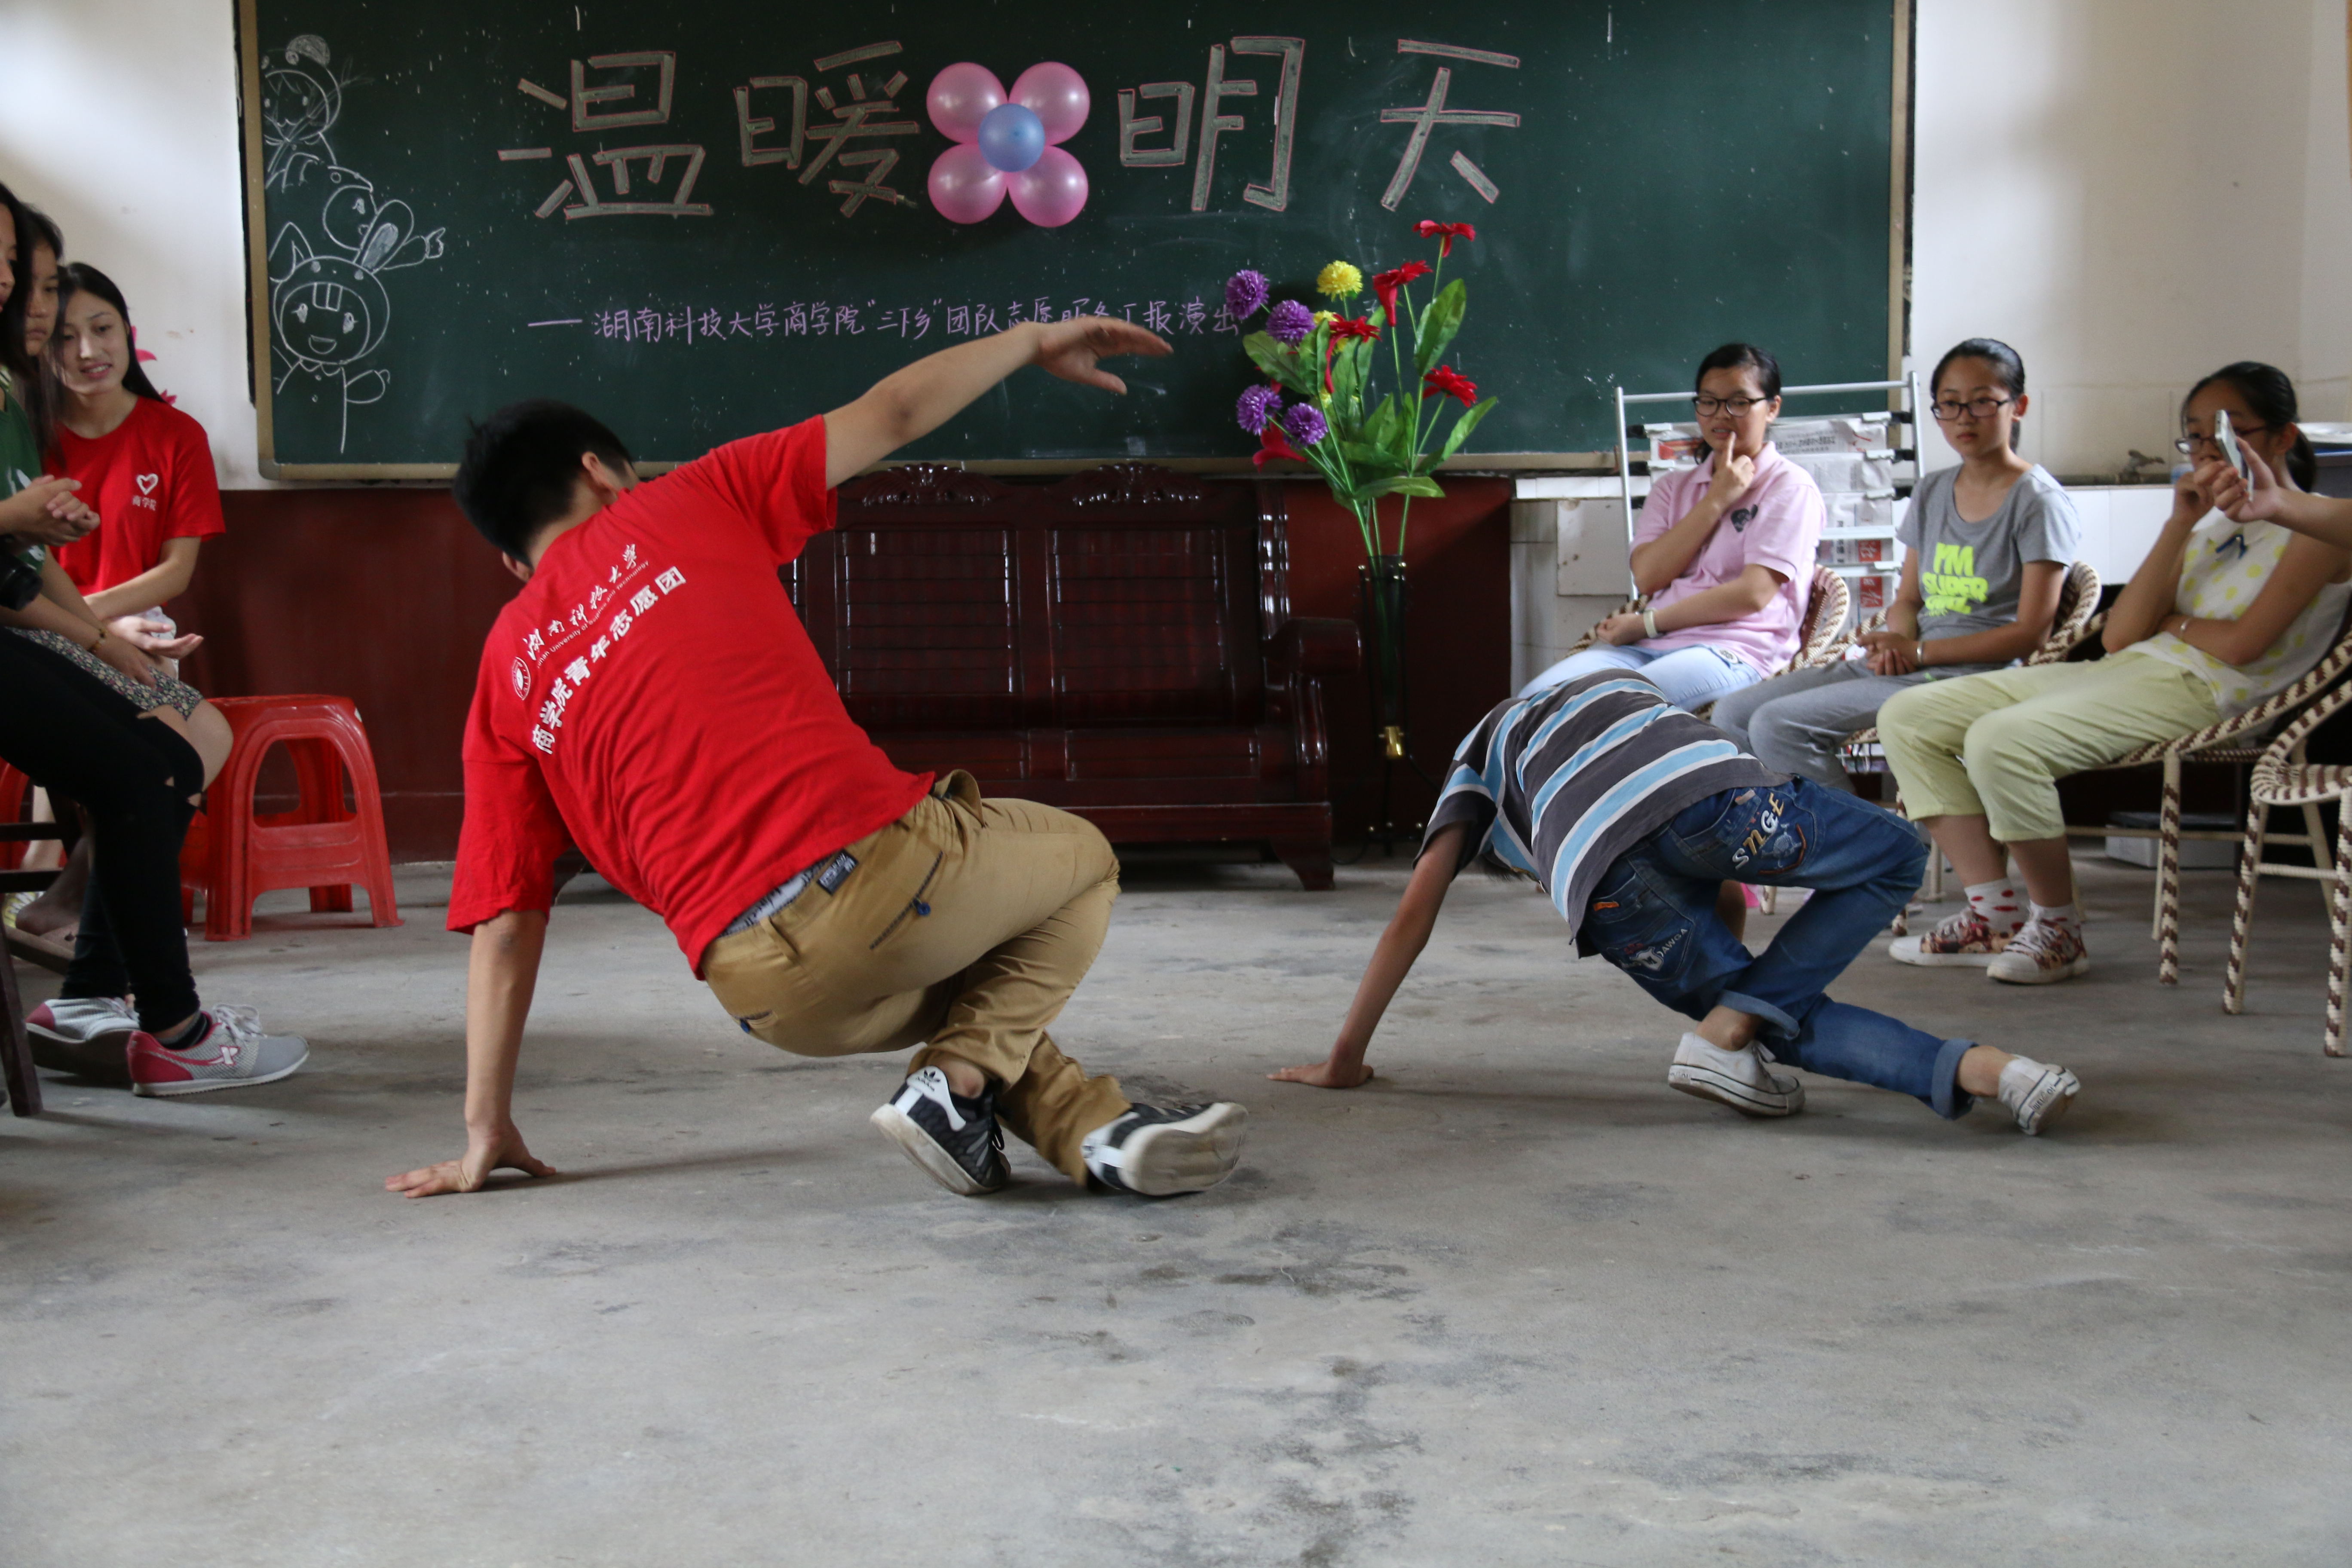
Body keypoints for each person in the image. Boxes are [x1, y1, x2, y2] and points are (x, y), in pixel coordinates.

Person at [388, 317, 1248, 1202]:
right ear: (601, 472)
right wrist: (1030, 341)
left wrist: (484, 1126)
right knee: (1082, 863)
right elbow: (896, 411)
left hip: (761, 991)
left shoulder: (506, 671)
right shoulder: (685, 498)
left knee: (972, 982)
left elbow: (506, 921)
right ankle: (956, 1082)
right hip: (867, 880)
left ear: (513, 561)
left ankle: (1095, 1135)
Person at [1270, 672, 2082, 1136]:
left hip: (1604, 885)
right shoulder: (1613, 688)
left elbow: (1412, 914)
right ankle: (1988, 1070)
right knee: (1893, 853)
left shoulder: (1471, 762)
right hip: (1712, 798)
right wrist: (1742, 994)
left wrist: (1344, 1058)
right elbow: (1715, 874)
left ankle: (1748, 1031)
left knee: (1769, 1016)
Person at [1877, 362, 2351, 983]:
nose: (2209, 452)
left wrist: (2173, 623)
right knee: (1909, 715)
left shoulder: (2321, 528)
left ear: (2283, 436)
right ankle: (1993, 917)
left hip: (2207, 691)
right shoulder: (2209, 524)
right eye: (2196, 438)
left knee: (2002, 740)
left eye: (2228, 434)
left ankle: (2057, 929)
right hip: (2133, 669)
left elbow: (2241, 646)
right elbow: (2124, 635)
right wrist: (2179, 523)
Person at [0, 190, 304, 1099]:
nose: (56, 323)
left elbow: (65, 567)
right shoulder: (32, 411)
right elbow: (19, 572)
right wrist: (93, 631)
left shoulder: (142, 428)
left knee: (187, 741)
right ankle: (158, 1020)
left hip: (77, 623)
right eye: (37, 292)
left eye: (35, 278)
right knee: (154, 765)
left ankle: (97, 987)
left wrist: (103, 633)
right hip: (34, 628)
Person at [1712, 339, 2078, 791]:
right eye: (1950, 404)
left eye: (1983, 402)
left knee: (1778, 724)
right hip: (1912, 663)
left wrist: (1920, 653)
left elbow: (2031, 634)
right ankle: (1781, 826)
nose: (1964, 417)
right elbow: (1908, 599)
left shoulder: (2039, 502)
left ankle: (1854, 836)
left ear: (2017, 407)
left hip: (1975, 674)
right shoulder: (1933, 490)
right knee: (1733, 712)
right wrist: (1898, 643)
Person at [1520, 343, 1826, 712]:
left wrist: (1649, 623)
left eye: (1739, 402)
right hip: (1646, 647)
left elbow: (1753, 594)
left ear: (1772, 408)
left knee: (1611, 709)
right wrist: (1716, 500)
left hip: (1733, 649)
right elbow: (1649, 577)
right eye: (1709, 402)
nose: (1721, 415)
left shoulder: (1790, 487)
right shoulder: (1673, 488)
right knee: (1530, 703)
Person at [45, 263, 217, 666]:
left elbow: (176, 570)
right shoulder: (23, 435)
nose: (88, 351)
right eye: (65, 338)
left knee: (158, 699)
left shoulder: (179, 435)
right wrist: (90, 629)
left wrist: (93, 618)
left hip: (135, 620)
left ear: (126, 329)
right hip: (39, 621)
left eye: (102, 329)